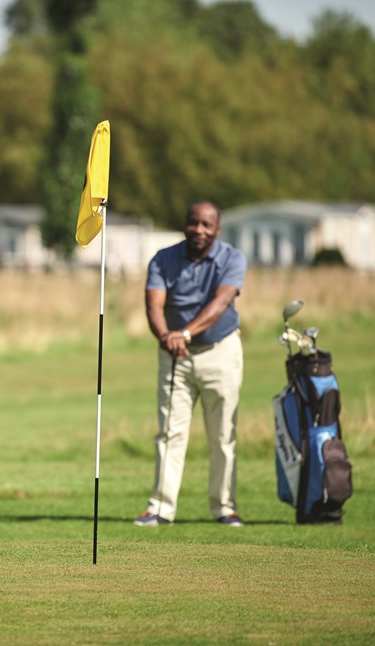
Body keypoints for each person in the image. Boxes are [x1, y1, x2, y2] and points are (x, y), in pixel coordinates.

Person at [134, 201, 247, 528]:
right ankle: (160, 509)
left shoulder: (232, 258)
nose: (199, 230)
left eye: (206, 225)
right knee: (169, 432)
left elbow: (221, 302)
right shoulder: (163, 258)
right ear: (185, 225)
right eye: (193, 223)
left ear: (217, 229)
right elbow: (154, 304)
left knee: (223, 434)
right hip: (174, 356)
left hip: (220, 350)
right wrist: (166, 336)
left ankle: (224, 508)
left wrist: (182, 332)